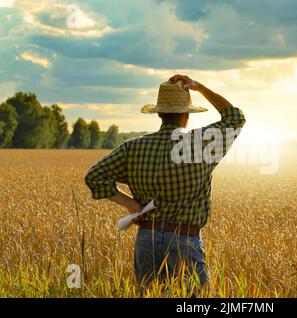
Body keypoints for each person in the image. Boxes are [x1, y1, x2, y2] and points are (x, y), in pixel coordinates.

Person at [84, 74, 246, 295]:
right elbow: (235, 117)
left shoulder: (133, 148)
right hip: (184, 240)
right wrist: (200, 88)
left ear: (159, 113)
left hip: (146, 240)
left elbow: (94, 176)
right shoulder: (199, 144)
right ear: (187, 115)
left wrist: (130, 204)